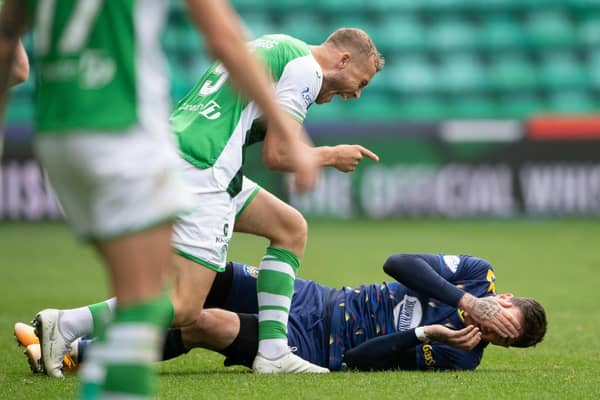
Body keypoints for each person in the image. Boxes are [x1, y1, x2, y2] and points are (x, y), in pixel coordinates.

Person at [0, 1, 321, 398]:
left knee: (284, 227)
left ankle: (272, 353)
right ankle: (69, 330)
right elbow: (224, 38)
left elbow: (10, 52)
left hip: (55, 135)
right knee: (172, 303)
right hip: (125, 133)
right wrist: (292, 136)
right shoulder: (298, 60)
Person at [16, 253, 545, 373]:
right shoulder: (474, 276)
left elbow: (358, 363)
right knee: (208, 278)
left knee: (203, 323)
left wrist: (427, 334)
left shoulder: (460, 359)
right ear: (502, 299)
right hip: (317, 298)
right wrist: (463, 301)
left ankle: (76, 356)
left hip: (313, 346)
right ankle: (73, 330)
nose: (487, 332)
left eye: (500, 339)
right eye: (499, 320)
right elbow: (397, 263)